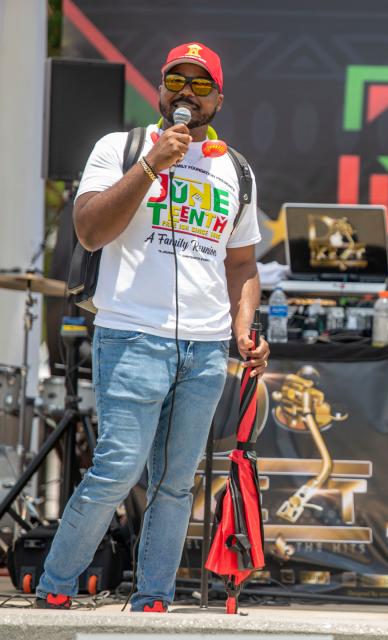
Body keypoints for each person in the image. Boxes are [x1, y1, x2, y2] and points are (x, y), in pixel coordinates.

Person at [35, 42, 268, 612]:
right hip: (133, 333)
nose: (186, 93)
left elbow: (241, 264)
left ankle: (154, 597)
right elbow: (89, 231)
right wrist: (150, 166)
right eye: (175, 81)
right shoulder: (121, 149)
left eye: (199, 84)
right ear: (160, 90)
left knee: (176, 482)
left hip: (207, 348)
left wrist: (244, 327)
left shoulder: (236, 169)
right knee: (118, 467)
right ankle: (57, 587)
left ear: (218, 98)